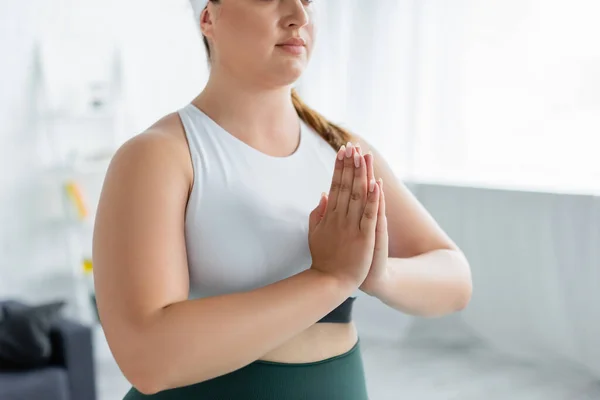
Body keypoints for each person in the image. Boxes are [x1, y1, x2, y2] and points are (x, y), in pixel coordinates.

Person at [92, 0, 473, 398]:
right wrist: (331, 279)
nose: (299, 15)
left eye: (308, 0)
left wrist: (377, 275)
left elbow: (455, 278)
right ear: (209, 17)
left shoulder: (341, 151)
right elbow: (148, 359)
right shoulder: (160, 155)